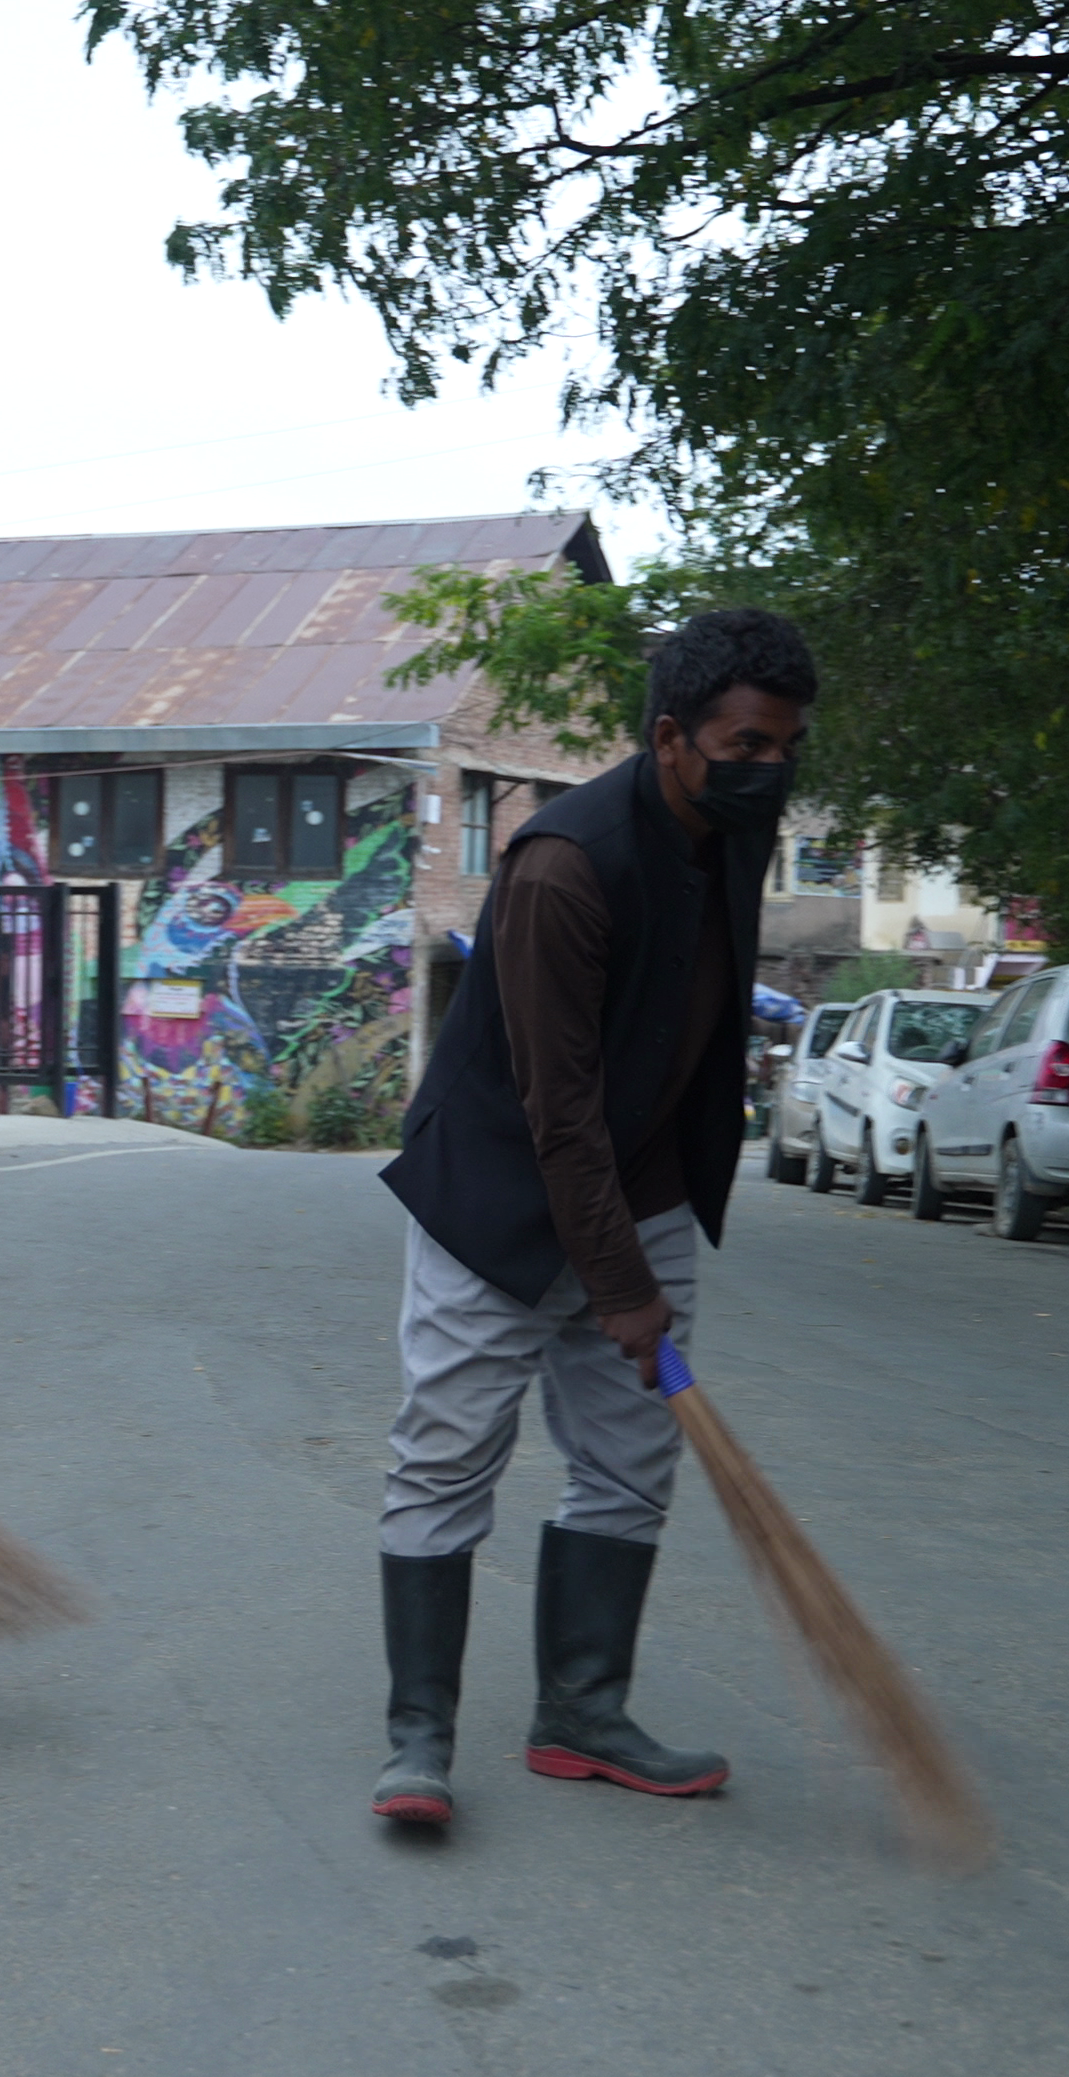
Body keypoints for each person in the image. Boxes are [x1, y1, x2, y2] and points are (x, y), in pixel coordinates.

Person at [364, 608, 814, 1825]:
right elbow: (558, 1112)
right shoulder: (562, 864)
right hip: (496, 1203)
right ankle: (419, 1739)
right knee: (448, 1454)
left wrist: (645, 1250)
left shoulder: (730, 828)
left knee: (631, 1463)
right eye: (746, 745)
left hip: (647, 1186)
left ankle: (581, 1715)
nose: (769, 769)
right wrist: (620, 1288)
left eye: (785, 747)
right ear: (671, 738)